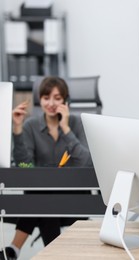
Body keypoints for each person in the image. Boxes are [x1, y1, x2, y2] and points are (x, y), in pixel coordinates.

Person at [0, 76, 92, 260]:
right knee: (44, 198)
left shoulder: (77, 123)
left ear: (65, 100)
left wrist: (66, 129)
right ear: (39, 100)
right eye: (46, 97)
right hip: (41, 198)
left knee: (41, 199)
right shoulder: (30, 126)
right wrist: (17, 130)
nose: (51, 103)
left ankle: (13, 249)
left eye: (57, 98)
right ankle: (54, 256)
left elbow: (86, 162)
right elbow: (25, 167)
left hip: (75, 199)